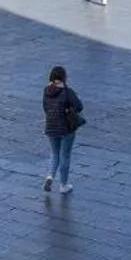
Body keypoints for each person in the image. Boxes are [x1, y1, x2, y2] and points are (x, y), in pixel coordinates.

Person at [42, 66, 84, 194]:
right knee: (64, 155)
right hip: (66, 128)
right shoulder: (67, 92)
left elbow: (45, 107)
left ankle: (50, 176)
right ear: (64, 77)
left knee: (55, 154)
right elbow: (79, 106)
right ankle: (63, 185)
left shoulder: (46, 90)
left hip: (50, 127)